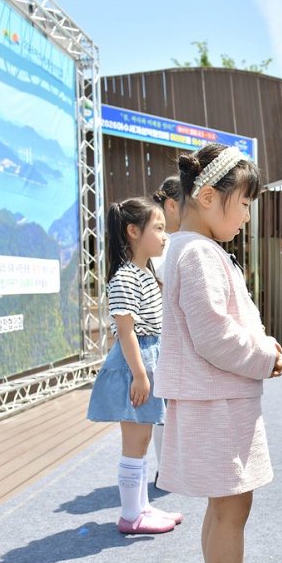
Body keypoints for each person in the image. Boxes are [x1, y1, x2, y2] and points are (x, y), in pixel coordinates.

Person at [153, 144, 282, 563]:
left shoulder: (187, 249)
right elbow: (214, 335)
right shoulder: (200, 253)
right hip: (219, 400)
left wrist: (260, 346)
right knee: (234, 508)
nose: (249, 215)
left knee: (222, 507)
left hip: (211, 399)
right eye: (245, 203)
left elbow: (215, 327)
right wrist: (265, 357)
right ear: (208, 196)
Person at [86, 197, 181, 535]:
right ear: (133, 231)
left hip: (149, 362)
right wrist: (140, 376)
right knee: (135, 444)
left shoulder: (144, 273)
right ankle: (131, 515)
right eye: (158, 228)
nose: (164, 236)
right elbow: (126, 332)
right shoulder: (126, 276)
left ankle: (141, 507)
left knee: (140, 444)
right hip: (137, 366)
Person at [148, 175, 184, 485]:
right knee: (165, 406)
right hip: (164, 335)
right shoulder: (168, 243)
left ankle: (169, 466)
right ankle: (168, 467)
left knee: (168, 405)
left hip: (166, 334)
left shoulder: (167, 240)